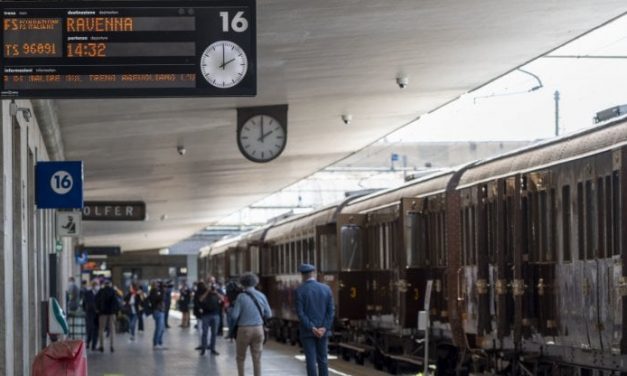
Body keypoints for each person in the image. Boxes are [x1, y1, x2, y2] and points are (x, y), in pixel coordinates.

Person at [295, 264, 335, 376]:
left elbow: (300, 313)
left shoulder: (299, 291)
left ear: (303, 276)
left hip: (308, 332)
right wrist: (324, 328)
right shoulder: (326, 289)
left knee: (310, 360)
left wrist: (312, 327)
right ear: (314, 273)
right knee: (323, 359)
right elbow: (331, 311)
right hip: (323, 332)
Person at [230, 272, 271, 376]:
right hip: (258, 329)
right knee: (257, 358)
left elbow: (234, 316)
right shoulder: (261, 295)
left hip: (244, 330)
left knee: (240, 358)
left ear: (242, 283)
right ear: (255, 282)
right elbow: (269, 314)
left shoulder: (241, 297)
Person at [194, 281, 222, 355]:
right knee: (205, 332)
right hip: (206, 315)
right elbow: (200, 299)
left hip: (215, 315)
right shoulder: (204, 292)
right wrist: (207, 292)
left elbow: (222, 299)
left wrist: (216, 293)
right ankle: (203, 348)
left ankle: (212, 348)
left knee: (214, 333)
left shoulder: (216, 293)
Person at [95, 279, 119, 352]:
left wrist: (98, 309)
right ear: (110, 284)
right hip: (112, 313)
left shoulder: (101, 291)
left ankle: (101, 346)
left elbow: (96, 301)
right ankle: (112, 346)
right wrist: (115, 311)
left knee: (101, 330)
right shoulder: (113, 291)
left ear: (104, 284)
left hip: (103, 313)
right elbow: (116, 302)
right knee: (112, 330)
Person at [82, 280, 99, 351]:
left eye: (97, 285)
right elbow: (84, 303)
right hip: (89, 314)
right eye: (95, 285)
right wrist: (86, 310)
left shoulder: (99, 293)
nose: (96, 286)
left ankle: (94, 346)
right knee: (89, 329)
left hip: (97, 314)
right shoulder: (87, 293)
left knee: (96, 330)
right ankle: (88, 342)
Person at [148, 281, 166, 349]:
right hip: (157, 311)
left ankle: (160, 342)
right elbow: (159, 299)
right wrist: (162, 292)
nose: (158, 286)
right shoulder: (153, 292)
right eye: (156, 284)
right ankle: (156, 343)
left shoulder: (156, 292)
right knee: (159, 328)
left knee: (162, 328)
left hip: (160, 311)